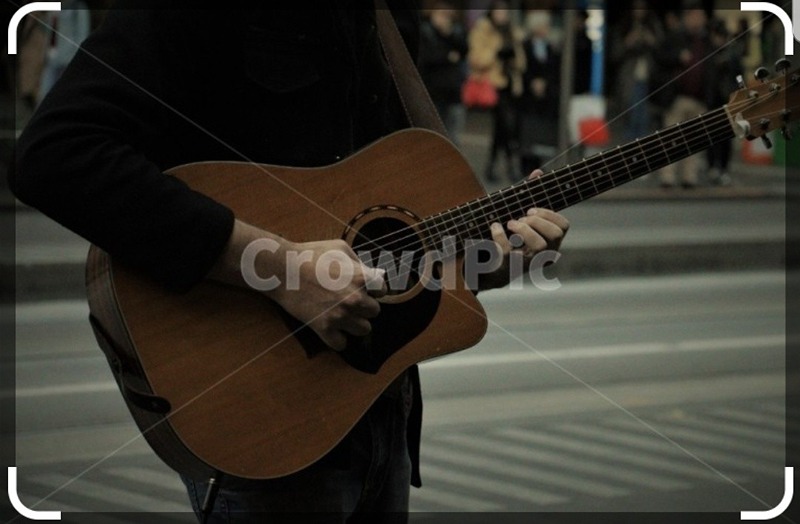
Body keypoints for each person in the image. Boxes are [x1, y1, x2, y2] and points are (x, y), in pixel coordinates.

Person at [10, 2, 569, 522]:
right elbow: (55, 154)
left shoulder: (387, 15)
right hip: (267, 427)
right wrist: (281, 270)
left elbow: (384, 218)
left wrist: (480, 262)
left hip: (381, 414)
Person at [653, 6, 713, 189]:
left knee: (694, 141)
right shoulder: (674, 37)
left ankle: (689, 177)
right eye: (694, 16)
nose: (698, 20)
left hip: (699, 97)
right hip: (677, 96)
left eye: (701, 17)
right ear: (686, 18)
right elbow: (659, 58)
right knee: (671, 138)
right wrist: (677, 57)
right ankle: (668, 177)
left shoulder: (705, 40)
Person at [466, 0, 527, 183]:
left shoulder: (511, 32)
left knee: (502, 129)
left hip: (510, 85)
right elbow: (476, 59)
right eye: (499, 12)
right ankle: (510, 168)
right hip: (492, 85)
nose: (502, 15)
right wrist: (497, 52)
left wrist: (512, 55)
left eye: (504, 12)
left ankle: (492, 167)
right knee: (506, 126)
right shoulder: (482, 30)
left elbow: (521, 62)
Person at [609, 0, 663, 142]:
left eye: (642, 8)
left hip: (649, 76)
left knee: (644, 115)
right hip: (629, 76)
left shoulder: (653, 25)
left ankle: (642, 144)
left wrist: (650, 39)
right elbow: (615, 53)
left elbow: (663, 50)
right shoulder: (623, 26)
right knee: (631, 111)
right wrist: (629, 41)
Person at [418, 1, 468, 148]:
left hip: (453, 89)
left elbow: (464, 51)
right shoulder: (426, 31)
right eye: (441, 14)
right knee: (433, 131)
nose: (443, 19)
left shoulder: (456, 32)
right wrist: (448, 56)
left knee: (452, 131)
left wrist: (449, 35)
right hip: (433, 89)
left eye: (447, 16)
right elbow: (427, 57)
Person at [518, 10, 560, 175]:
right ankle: (525, 165)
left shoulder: (550, 47)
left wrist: (545, 83)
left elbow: (554, 69)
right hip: (528, 98)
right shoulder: (524, 46)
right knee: (527, 131)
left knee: (542, 133)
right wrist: (532, 82)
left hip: (546, 98)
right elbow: (522, 68)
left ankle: (540, 164)